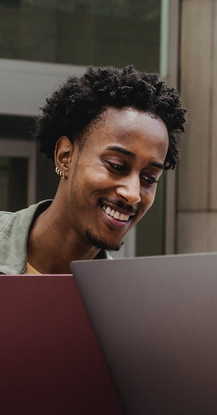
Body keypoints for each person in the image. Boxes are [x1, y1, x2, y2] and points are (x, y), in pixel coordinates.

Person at [0, 65, 187, 274]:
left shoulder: (121, 300)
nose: (133, 194)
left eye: (149, 178)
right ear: (65, 157)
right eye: (117, 166)